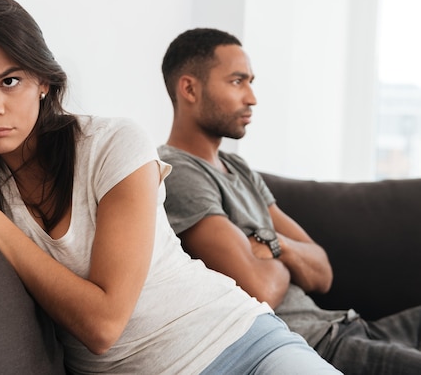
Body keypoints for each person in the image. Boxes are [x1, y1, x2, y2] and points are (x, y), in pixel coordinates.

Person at [0, 0, 340, 374]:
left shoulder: (113, 144)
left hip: (242, 346)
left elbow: (104, 323)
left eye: (9, 81)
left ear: (43, 81)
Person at [158, 27, 421, 375]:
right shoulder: (179, 172)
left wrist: (270, 245)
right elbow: (259, 288)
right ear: (189, 88)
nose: (252, 98)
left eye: (251, 82)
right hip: (318, 346)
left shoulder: (238, 168)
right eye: (237, 81)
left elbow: (323, 271)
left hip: (350, 326)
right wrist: (289, 256)